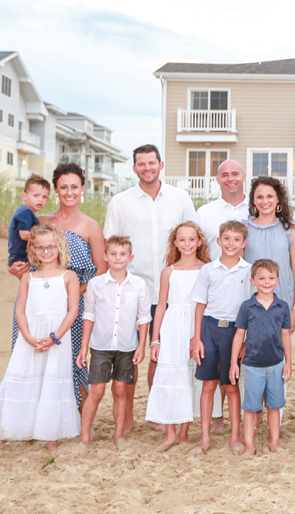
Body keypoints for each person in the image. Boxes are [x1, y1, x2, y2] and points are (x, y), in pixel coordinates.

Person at [103, 145, 197, 426]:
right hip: (132, 290)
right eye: (141, 164)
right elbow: (110, 245)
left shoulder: (180, 199)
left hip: (172, 293)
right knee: (129, 356)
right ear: (134, 168)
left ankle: (161, 414)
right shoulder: (120, 202)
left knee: (163, 354)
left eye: (151, 163)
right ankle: (127, 416)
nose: (147, 168)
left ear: (161, 164)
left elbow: (193, 236)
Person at [9, 162, 105, 409]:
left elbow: (100, 271)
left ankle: (76, 416)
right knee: (31, 356)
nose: (69, 192)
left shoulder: (91, 227)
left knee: (73, 359)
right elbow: (22, 257)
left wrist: (73, 295)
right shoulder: (38, 221)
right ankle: (28, 415)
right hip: (36, 303)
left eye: (75, 186)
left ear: (82, 188)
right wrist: (14, 268)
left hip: (74, 305)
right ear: (56, 189)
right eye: (63, 187)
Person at [0, 226, 82, 456]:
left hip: (57, 339)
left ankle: (51, 437)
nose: (46, 251)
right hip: (30, 338)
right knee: (16, 380)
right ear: (33, 249)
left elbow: (73, 310)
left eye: (51, 246)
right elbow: (20, 311)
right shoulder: (28, 277)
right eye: (41, 247)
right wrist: (26, 337)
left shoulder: (69, 276)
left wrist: (54, 337)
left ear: (59, 247)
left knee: (52, 382)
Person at [77, 236, 151, 445]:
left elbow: (143, 318)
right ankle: (84, 435)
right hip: (100, 346)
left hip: (127, 346)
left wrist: (141, 346)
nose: (118, 258)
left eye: (123, 254)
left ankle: (118, 433)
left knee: (120, 389)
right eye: (113, 254)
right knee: (97, 390)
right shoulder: (96, 284)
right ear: (105, 256)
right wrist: (84, 347)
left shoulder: (138, 285)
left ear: (130, 257)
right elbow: (89, 315)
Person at [189, 220, 253, 455]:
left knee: (231, 385)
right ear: (219, 241)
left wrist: (246, 340)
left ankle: (235, 437)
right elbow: (200, 306)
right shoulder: (208, 270)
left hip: (234, 332)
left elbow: (252, 308)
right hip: (209, 328)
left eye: (237, 239)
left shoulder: (248, 271)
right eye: (226, 238)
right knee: (208, 384)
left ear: (244, 243)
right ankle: (204, 438)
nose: (231, 243)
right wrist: (196, 337)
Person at [244, 177, 295, 423]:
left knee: (277, 358)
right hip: (252, 307)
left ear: (278, 199)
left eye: (270, 196)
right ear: (253, 201)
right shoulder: (244, 228)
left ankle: (274, 415)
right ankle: (252, 413)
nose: (265, 201)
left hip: (282, 306)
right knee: (251, 357)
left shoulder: (291, 231)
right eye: (260, 197)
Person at [146, 221, 210, 452]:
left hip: (196, 324)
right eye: (182, 240)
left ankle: (184, 433)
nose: (187, 244)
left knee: (191, 376)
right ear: (175, 242)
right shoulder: (168, 272)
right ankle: (170, 433)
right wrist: (155, 339)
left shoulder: (207, 269)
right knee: (170, 374)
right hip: (172, 326)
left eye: (192, 239)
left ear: (200, 241)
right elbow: (161, 306)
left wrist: (200, 334)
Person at [230, 259, 293, 456]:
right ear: (253, 281)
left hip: (276, 364)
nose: (267, 282)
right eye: (262, 278)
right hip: (252, 365)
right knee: (251, 407)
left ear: (278, 280)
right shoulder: (247, 307)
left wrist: (288, 362)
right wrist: (234, 363)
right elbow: (239, 335)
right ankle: (250, 445)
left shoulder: (282, 306)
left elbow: (285, 335)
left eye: (271, 278)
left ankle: (274, 442)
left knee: (274, 406)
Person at [196, 159, 250, 259]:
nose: (230, 179)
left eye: (235, 174)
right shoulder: (203, 213)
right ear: (218, 179)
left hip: (254, 274)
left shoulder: (259, 209)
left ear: (244, 177)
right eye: (225, 175)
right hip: (214, 274)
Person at [8, 174, 50, 268]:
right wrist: (44, 238)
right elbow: (24, 235)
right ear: (24, 196)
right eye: (36, 195)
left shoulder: (27, 212)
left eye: (44, 197)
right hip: (22, 258)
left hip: (21, 257)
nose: (40, 200)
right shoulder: (25, 212)